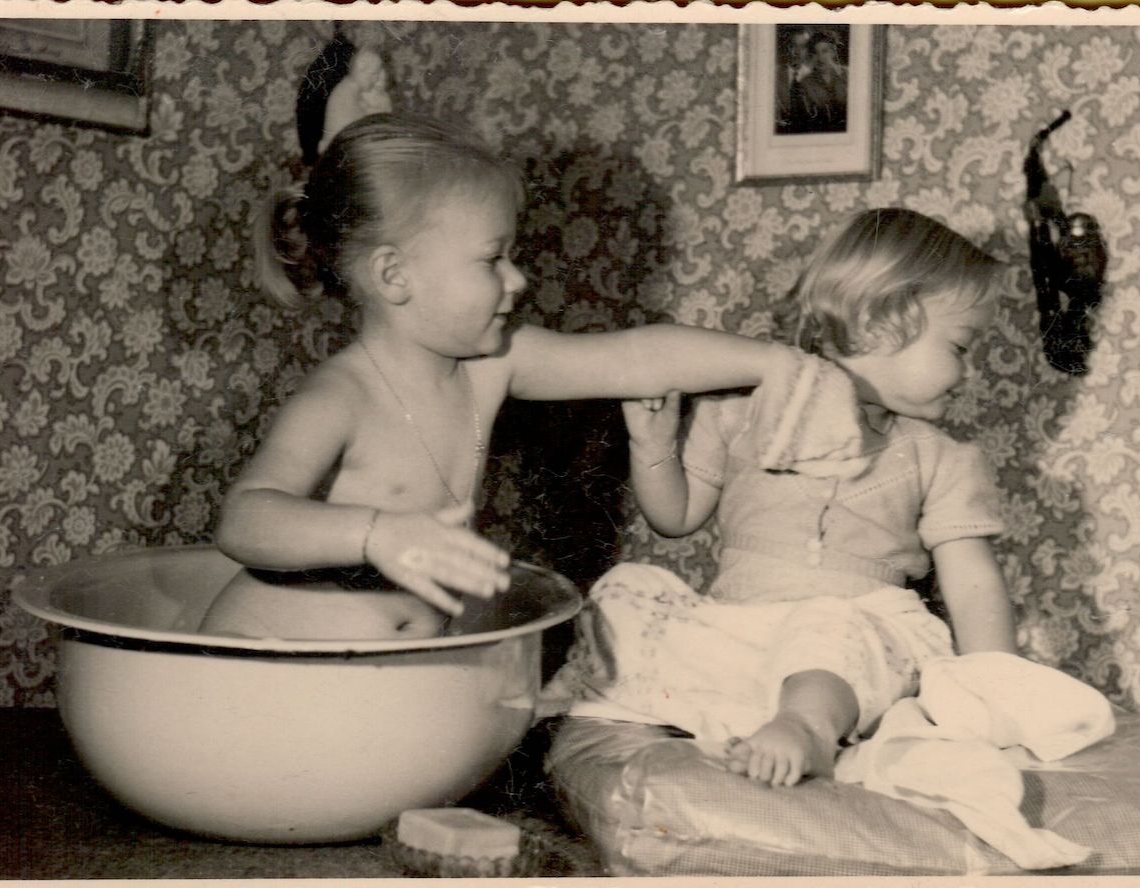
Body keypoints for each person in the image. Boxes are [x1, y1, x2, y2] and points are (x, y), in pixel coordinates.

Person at [200, 112, 803, 640]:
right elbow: (247, 519)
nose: (517, 281)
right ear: (394, 276)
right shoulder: (342, 395)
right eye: (493, 259)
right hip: (266, 676)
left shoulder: (492, 367)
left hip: (381, 685)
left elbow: (637, 360)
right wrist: (377, 534)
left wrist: (775, 362)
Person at [545, 208, 1017, 787]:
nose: (969, 373)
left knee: (828, 627)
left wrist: (997, 688)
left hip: (855, 642)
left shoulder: (939, 456)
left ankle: (808, 731)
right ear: (881, 323)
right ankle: (640, 706)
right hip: (742, 633)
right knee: (626, 591)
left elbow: (974, 585)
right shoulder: (739, 414)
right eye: (962, 348)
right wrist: (654, 446)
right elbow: (675, 516)